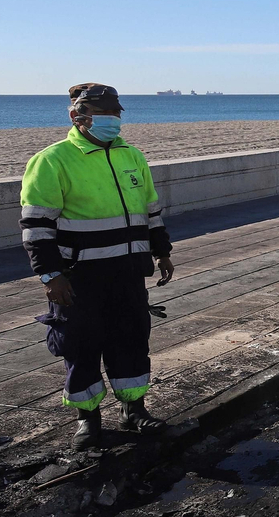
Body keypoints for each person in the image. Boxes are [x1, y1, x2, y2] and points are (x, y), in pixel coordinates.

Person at [20, 83, 174, 451]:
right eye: (105, 116)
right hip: (79, 279)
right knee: (81, 346)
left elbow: (150, 210)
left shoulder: (132, 156)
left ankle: (133, 410)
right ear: (77, 117)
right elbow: (36, 226)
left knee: (132, 341)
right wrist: (50, 275)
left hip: (128, 273)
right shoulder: (52, 160)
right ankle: (88, 420)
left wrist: (162, 251)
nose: (113, 123)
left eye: (116, 116)